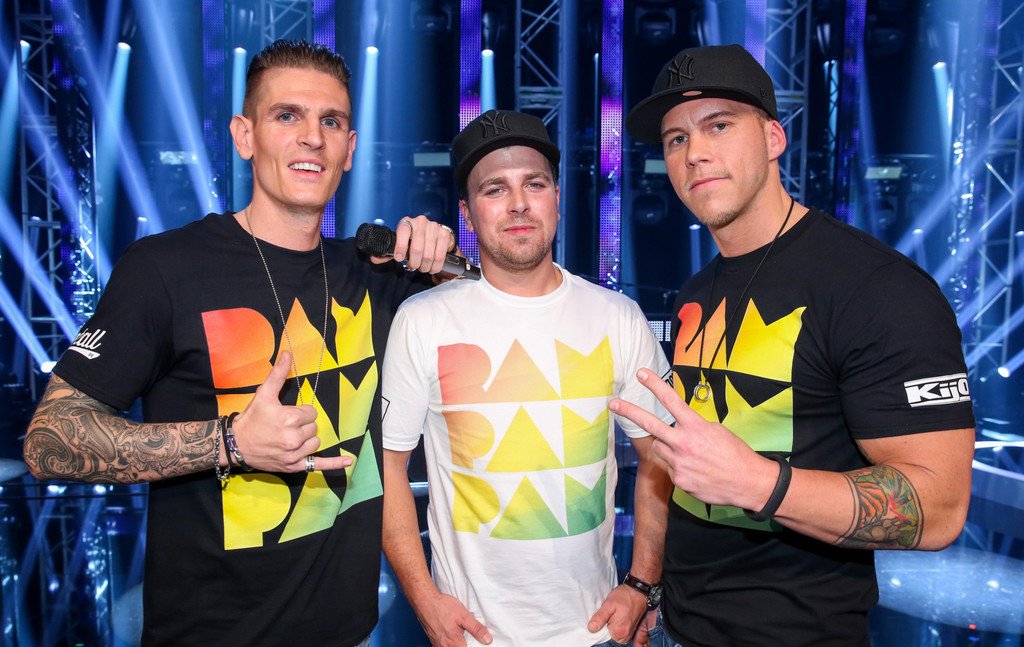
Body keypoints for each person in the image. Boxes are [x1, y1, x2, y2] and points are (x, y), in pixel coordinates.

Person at [22, 39, 456, 646]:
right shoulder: (165, 269)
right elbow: (48, 440)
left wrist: (446, 260)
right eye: (287, 116)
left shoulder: (374, 273)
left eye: (331, 121)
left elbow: (508, 312)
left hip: (351, 634)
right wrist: (229, 442)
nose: (312, 138)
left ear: (350, 148)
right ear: (244, 136)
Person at [609, 44, 976, 646]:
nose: (694, 153)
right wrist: (646, 585)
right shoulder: (697, 292)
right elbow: (675, 468)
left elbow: (939, 509)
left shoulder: (876, 287)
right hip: (681, 627)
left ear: (773, 138)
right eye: (676, 139)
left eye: (718, 126)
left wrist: (758, 483)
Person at [380, 109, 675, 646]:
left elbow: (659, 454)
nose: (518, 203)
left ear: (557, 197)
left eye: (534, 184)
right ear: (467, 214)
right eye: (495, 189)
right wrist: (424, 600)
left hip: (596, 631)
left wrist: (643, 583)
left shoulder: (617, 316)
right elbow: (388, 467)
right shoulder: (422, 319)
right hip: (472, 636)